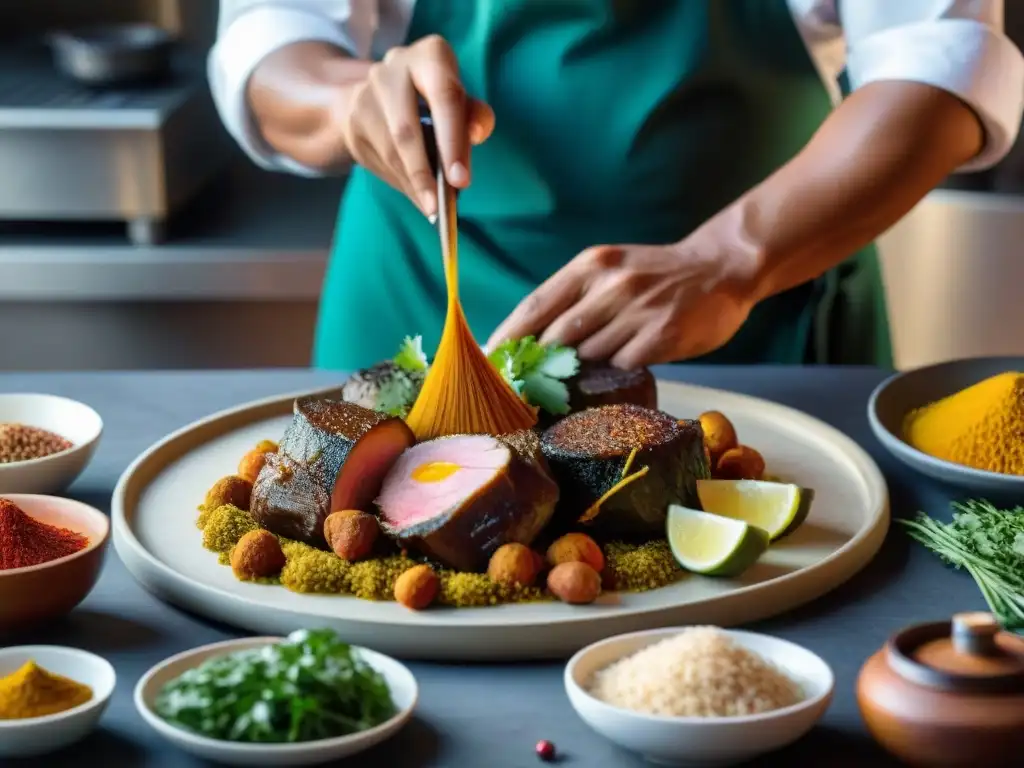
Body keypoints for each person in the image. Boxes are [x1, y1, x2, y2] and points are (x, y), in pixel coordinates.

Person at [210, 1, 1023, 371]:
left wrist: (729, 261)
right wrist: (349, 99)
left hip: (753, 304)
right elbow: (273, 42)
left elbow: (939, 64)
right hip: (421, 295)